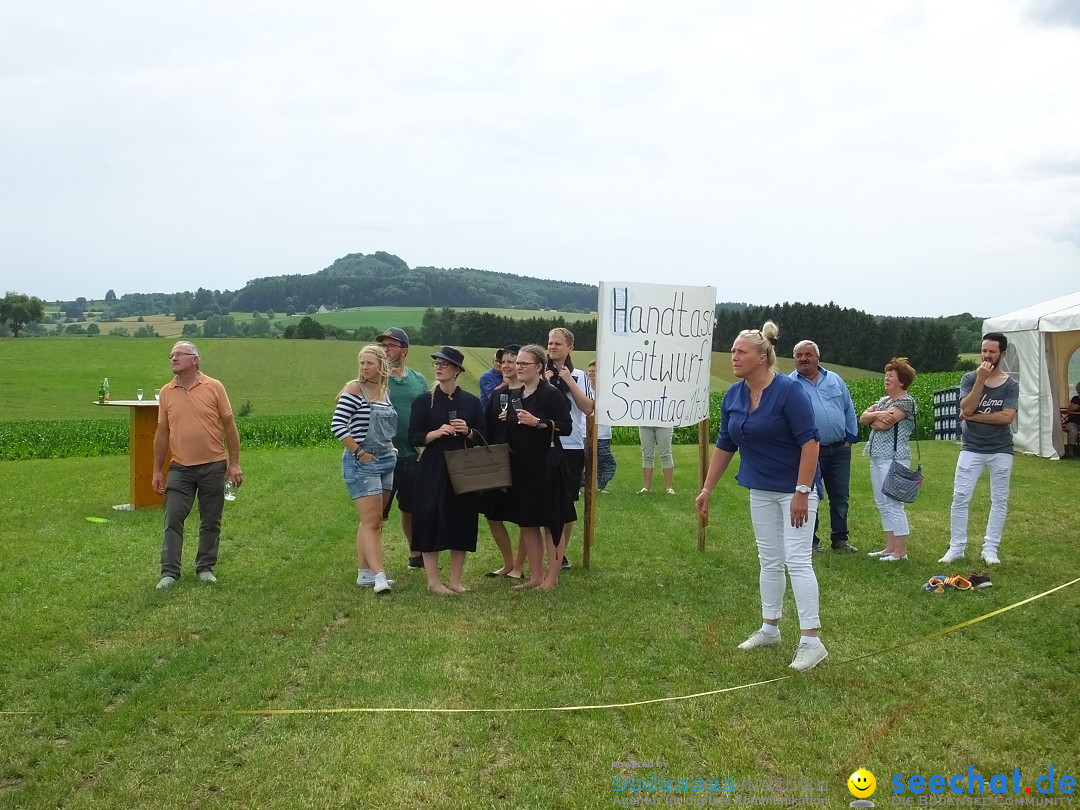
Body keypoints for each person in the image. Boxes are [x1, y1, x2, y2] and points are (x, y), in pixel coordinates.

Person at [695, 322, 827, 672]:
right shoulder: (734, 395)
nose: (734, 357)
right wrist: (707, 488)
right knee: (768, 560)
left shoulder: (788, 392)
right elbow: (726, 443)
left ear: (762, 357)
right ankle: (770, 628)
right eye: (733, 351)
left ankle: (812, 641)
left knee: (797, 560)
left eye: (740, 352)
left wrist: (802, 491)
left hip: (795, 490)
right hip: (761, 489)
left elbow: (810, 443)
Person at [152, 341, 242, 589]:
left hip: (213, 465)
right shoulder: (166, 392)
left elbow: (230, 427)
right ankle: (169, 573)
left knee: (211, 519)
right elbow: (162, 432)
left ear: (194, 360)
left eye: (179, 354)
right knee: (173, 516)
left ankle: (205, 567)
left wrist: (234, 464)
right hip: (180, 467)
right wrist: (157, 470)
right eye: (171, 355)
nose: (173, 358)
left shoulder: (214, 387)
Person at [409, 346, 486, 594]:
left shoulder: (471, 402)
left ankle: (455, 580)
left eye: (444, 364)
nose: (439, 367)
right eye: (437, 363)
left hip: (462, 467)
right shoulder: (424, 401)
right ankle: (433, 582)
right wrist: (435, 433)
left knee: (461, 518)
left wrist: (469, 431)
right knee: (429, 518)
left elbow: (485, 436)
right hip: (432, 467)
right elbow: (413, 436)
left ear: (456, 371)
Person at [939, 333, 1019, 566]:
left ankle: (990, 549)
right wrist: (980, 380)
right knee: (960, 496)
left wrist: (975, 417)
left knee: (999, 499)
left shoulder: (1010, 385)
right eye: (984, 350)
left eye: (992, 352)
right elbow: (967, 407)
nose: (986, 355)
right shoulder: (970, 378)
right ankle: (956, 548)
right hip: (971, 447)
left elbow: (1006, 417)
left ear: (1002, 354)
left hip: (1001, 449)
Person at [505, 344, 574, 591]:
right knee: (528, 522)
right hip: (522, 466)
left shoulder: (551, 394)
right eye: (517, 363)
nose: (518, 367)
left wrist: (540, 423)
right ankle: (535, 576)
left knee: (551, 521)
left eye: (524, 363)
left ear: (539, 367)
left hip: (547, 465)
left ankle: (552, 578)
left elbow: (566, 426)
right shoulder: (514, 395)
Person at [331, 344, 398, 594]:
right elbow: (338, 425)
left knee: (375, 521)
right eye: (362, 363)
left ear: (381, 365)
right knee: (371, 522)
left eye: (369, 363)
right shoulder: (354, 389)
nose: (364, 367)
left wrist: (390, 448)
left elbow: (387, 428)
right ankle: (379, 576)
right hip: (362, 463)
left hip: (386, 461)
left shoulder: (384, 391)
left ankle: (364, 573)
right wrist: (359, 452)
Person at [789, 340, 859, 553]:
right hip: (810, 452)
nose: (803, 359)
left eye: (808, 354)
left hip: (839, 449)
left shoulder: (835, 380)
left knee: (840, 496)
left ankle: (840, 539)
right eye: (799, 355)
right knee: (811, 495)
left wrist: (849, 440)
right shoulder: (790, 384)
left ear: (817, 358)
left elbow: (848, 409)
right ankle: (811, 542)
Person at [375, 327, 429, 570]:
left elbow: (428, 413)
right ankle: (372, 565)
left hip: (413, 456)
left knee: (412, 508)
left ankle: (416, 553)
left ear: (404, 351)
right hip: (382, 456)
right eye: (383, 346)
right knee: (376, 515)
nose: (385, 350)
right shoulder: (374, 378)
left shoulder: (418, 380)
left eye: (390, 346)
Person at [859, 357, 918, 562]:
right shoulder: (885, 401)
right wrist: (876, 416)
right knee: (882, 503)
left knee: (893, 503)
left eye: (891, 375)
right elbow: (863, 418)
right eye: (886, 374)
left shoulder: (906, 402)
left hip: (894, 459)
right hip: (876, 457)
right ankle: (890, 547)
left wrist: (874, 418)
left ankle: (900, 552)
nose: (886, 378)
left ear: (902, 381)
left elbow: (883, 425)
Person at [545, 328, 594, 568]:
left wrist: (567, 381)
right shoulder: (539, 372)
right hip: (544, 443)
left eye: (557, 343)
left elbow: (587, 407)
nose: (552, 347)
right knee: (545, 499)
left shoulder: (578, 375)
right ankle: (548, 551)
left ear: (570, 348)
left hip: (571, 445)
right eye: (550, 343)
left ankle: (560, 553)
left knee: (567, 501)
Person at [483, 344, 527, 578]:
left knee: (525, 517)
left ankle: (519, 567)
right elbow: (486, 428)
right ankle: (508, 562)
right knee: (492, 513)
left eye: (514, 361)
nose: (508, 366)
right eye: (505, 361)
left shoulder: (531, 393)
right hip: (497, 460)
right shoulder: (497, 394)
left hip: (522, 460)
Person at [586, 360, 617, 493]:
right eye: (590, 371)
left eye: (594, 371)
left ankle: (599, 485)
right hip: (586, 431)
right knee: (586, 461)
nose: (592, 374)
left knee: (606, 462)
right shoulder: (583, 388)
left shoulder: (607, 391)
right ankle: (585, 484)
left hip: (603, 432)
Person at [637, 426, 675, 494]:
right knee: (647, 456)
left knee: (665, 455)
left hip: (664, 423)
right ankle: (646, 487)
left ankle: (669, 488)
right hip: (645, 424)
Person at [1064, 381, 1080, 458]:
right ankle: (1070, 451)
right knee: (1073, 431)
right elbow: (1070, 410)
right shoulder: (1075, 399)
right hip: (1072, 423)